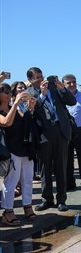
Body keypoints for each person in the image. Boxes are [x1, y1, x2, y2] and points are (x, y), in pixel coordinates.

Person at [26, 67, 77, 212]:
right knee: (45, 168)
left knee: (61, 167)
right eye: (37, 77)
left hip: (60, 131)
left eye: (41, 76)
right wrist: (42, 95)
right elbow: (32, 111)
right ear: (30, 80)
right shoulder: (29, 93)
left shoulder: (54, 89)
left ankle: (62, 199)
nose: (41, 79)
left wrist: (62, 89)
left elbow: (72, 101)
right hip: (43, 135)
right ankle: (47, 199)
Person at [1, 85, 39, 225]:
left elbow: (24, 122)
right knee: (11, 182)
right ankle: (8, 211)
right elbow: (6, 122)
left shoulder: (15, 108)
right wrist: (15, 104)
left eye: (9, 91)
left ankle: (27, 206)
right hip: (10, 149)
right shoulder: (6, 110)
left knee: (27, 179)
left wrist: (30, 108)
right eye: (4, 91)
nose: (8, 93)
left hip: (24, 147)